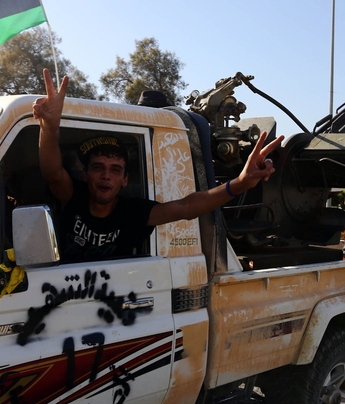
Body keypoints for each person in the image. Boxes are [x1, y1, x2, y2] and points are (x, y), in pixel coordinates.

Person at [32, 69, 284, 262]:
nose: (105, 176)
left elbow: (187, 206)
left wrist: (240, 184)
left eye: (115, 169)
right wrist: (50, 127)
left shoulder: (133, 214)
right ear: (85, 174)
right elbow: (53, 173)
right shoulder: (74, 198)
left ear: (125, 179)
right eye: (98, 167)